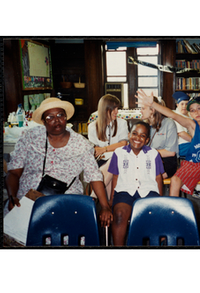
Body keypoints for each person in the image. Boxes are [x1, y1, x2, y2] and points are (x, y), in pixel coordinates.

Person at [4, 98, 113, 226]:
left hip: (65, 199)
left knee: (66, 231)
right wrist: (12, 197)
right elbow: (14, 172)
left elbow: (94, 176)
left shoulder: (81, 144)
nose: (56, 120)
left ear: (66, 118)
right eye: (50, 117)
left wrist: (105, 206)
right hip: (27, 198)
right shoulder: (29, 137)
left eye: (60, 115)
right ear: (44, 121)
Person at [136, 62, 200, 197]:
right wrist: (153, 103)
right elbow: (172, 115)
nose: (196, 113)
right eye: (192, 111)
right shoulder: (192, 125)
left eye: (199, 109)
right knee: (175, 180)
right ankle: (174, 212)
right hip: (194, 164)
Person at [108, 121, 164, 246]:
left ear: (147, 140)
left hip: (148, 190)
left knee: (152, 215)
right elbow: (115, 176)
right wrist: (112, 199)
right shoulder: (118, 153)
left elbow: (158, 177)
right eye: (134, 133)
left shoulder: (153, 154)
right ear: (128, 135)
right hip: (124, 190)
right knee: (119, 214)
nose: (137, 138)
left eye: (142, 135)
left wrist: (160, 199)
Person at [88, 94, 128, 202]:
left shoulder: (122, 123)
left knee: (114, 159)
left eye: (117, 108)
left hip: (120, 160)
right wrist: (104, 149)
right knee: (110, 174)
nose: (117, 112)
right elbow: (95, 149)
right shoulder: (92, 127)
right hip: (101, 161)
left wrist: (104, 149)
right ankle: (109, 209)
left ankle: (93, 197)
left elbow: (124, 143)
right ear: (104, 109)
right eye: (113, 109)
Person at [139, 95, 178, 179]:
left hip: (166, 161)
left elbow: (171, 152)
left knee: (149, 177)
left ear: (152, 110)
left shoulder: (169, 123)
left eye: (143, 108)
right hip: (146, 160)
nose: (140, 111)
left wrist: (146, 152)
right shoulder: (142, 125)